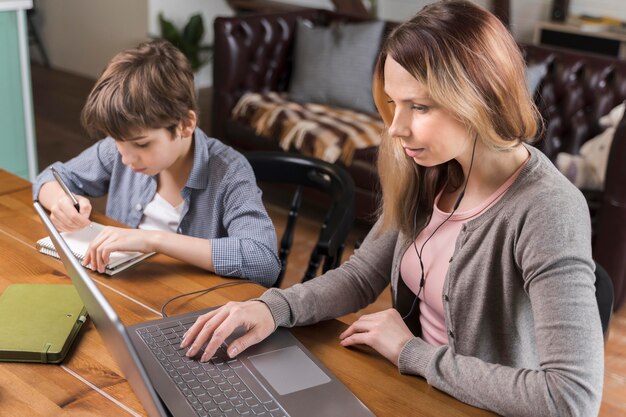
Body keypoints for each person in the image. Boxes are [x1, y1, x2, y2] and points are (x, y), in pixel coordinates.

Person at [180, 1, 604, 415]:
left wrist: (409, 351)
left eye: (418, 106)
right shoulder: (431, 168)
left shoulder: (548, 209)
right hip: (412, 393)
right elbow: (363, 276)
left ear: (479, 97)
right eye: (393, 103)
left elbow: (569, 398)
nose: (396, 128)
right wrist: (273, 308)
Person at [33, 40, 281, 287]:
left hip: (193, 306)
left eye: (142, 145)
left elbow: (263, 261)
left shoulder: (229, 172)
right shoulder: (121, 147)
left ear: (185, 124)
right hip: (123, 288)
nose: (126, 158)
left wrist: (153, 240)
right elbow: (50, 178)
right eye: (118, 142)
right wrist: (61, 202)